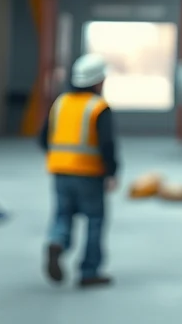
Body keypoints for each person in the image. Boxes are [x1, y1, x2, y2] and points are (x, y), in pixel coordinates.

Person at [38, 53, 119, 288]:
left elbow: (44, 139)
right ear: (97, 81)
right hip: (89, 174)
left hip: (60, 171)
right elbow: (107, 145)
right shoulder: (98, 107)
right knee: (94, 219)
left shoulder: (60, 103)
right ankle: (89, 272)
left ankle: (56, 242)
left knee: (62, 214)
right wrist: (111, 172)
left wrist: (60, 158)